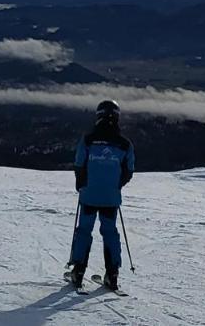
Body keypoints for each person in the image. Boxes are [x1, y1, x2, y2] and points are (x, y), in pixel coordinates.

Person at [65, 100, 135, 292]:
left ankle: (78, 271)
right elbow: (129, 171)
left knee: (84, 230)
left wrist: (81, 184)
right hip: (110, 198)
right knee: (110, 232)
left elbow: (79, 164)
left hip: (89, 195)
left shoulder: (88, 140)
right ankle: (112, 275)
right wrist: (116, 185)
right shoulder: (124, 144)